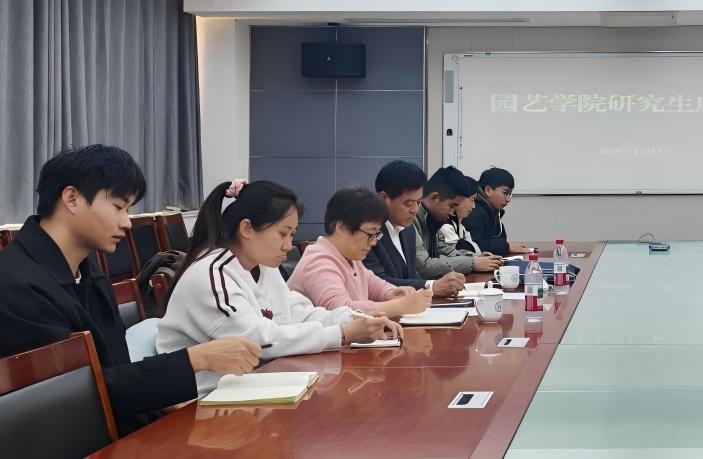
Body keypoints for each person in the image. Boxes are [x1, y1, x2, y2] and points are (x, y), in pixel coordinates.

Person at [0, 145, 260, 434]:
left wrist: (158, 401)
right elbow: (74, 399)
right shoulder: (16, 287)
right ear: (72, 198)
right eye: (118, 206)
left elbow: (113, 373)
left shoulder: (88, 273)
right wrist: (195, 359)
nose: (126, 222)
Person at [156, 179, 399, 395]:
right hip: (202, 401)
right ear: (247, 228)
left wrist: (357, 319)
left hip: (250, 387)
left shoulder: (264, 267)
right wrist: (343, 333)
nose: (288, 245)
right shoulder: (211, 275)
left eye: (292, 235)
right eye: (283, 234)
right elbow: (259, 342)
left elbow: (298, 313)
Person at [287, 186, 434, 316]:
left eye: (376, 234)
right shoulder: (319, 261)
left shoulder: (350, 257)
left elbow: (374, 284)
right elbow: (340, 310)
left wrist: (392, 292)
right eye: (370, 234)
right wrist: (400, 306)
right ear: (342, 228)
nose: (374, 242)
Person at [363, 160, 465, 298]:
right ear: (383, 198)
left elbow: (411, 276)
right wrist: (430, 286)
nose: (415, 210)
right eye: (408, 203)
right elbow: (378, 282)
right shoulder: (367, 232)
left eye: (418, 202)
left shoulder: (408, 230)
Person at [413, 166, 501, 279]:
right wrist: (472, 263)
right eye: (451, 206)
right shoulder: (411, 220)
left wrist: (474, 258)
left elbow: (443, 250)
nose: (452, 212)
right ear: (435, 198)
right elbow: (424, 266)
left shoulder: (433, 217)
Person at [464, 167, 531, 255]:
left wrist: (506, 246)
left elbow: (500, 239)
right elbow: (474, 245)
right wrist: (507, 247)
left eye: (510, 194)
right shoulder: (475, 212)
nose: (508, 200)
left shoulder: (493, 211)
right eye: (505, 193)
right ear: (488, 190)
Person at [439, 176, 483, 254]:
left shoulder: (459, 225)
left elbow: (476, 250)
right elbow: (465, 251)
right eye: (472, 200)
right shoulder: (444, 226)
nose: (474, 206)